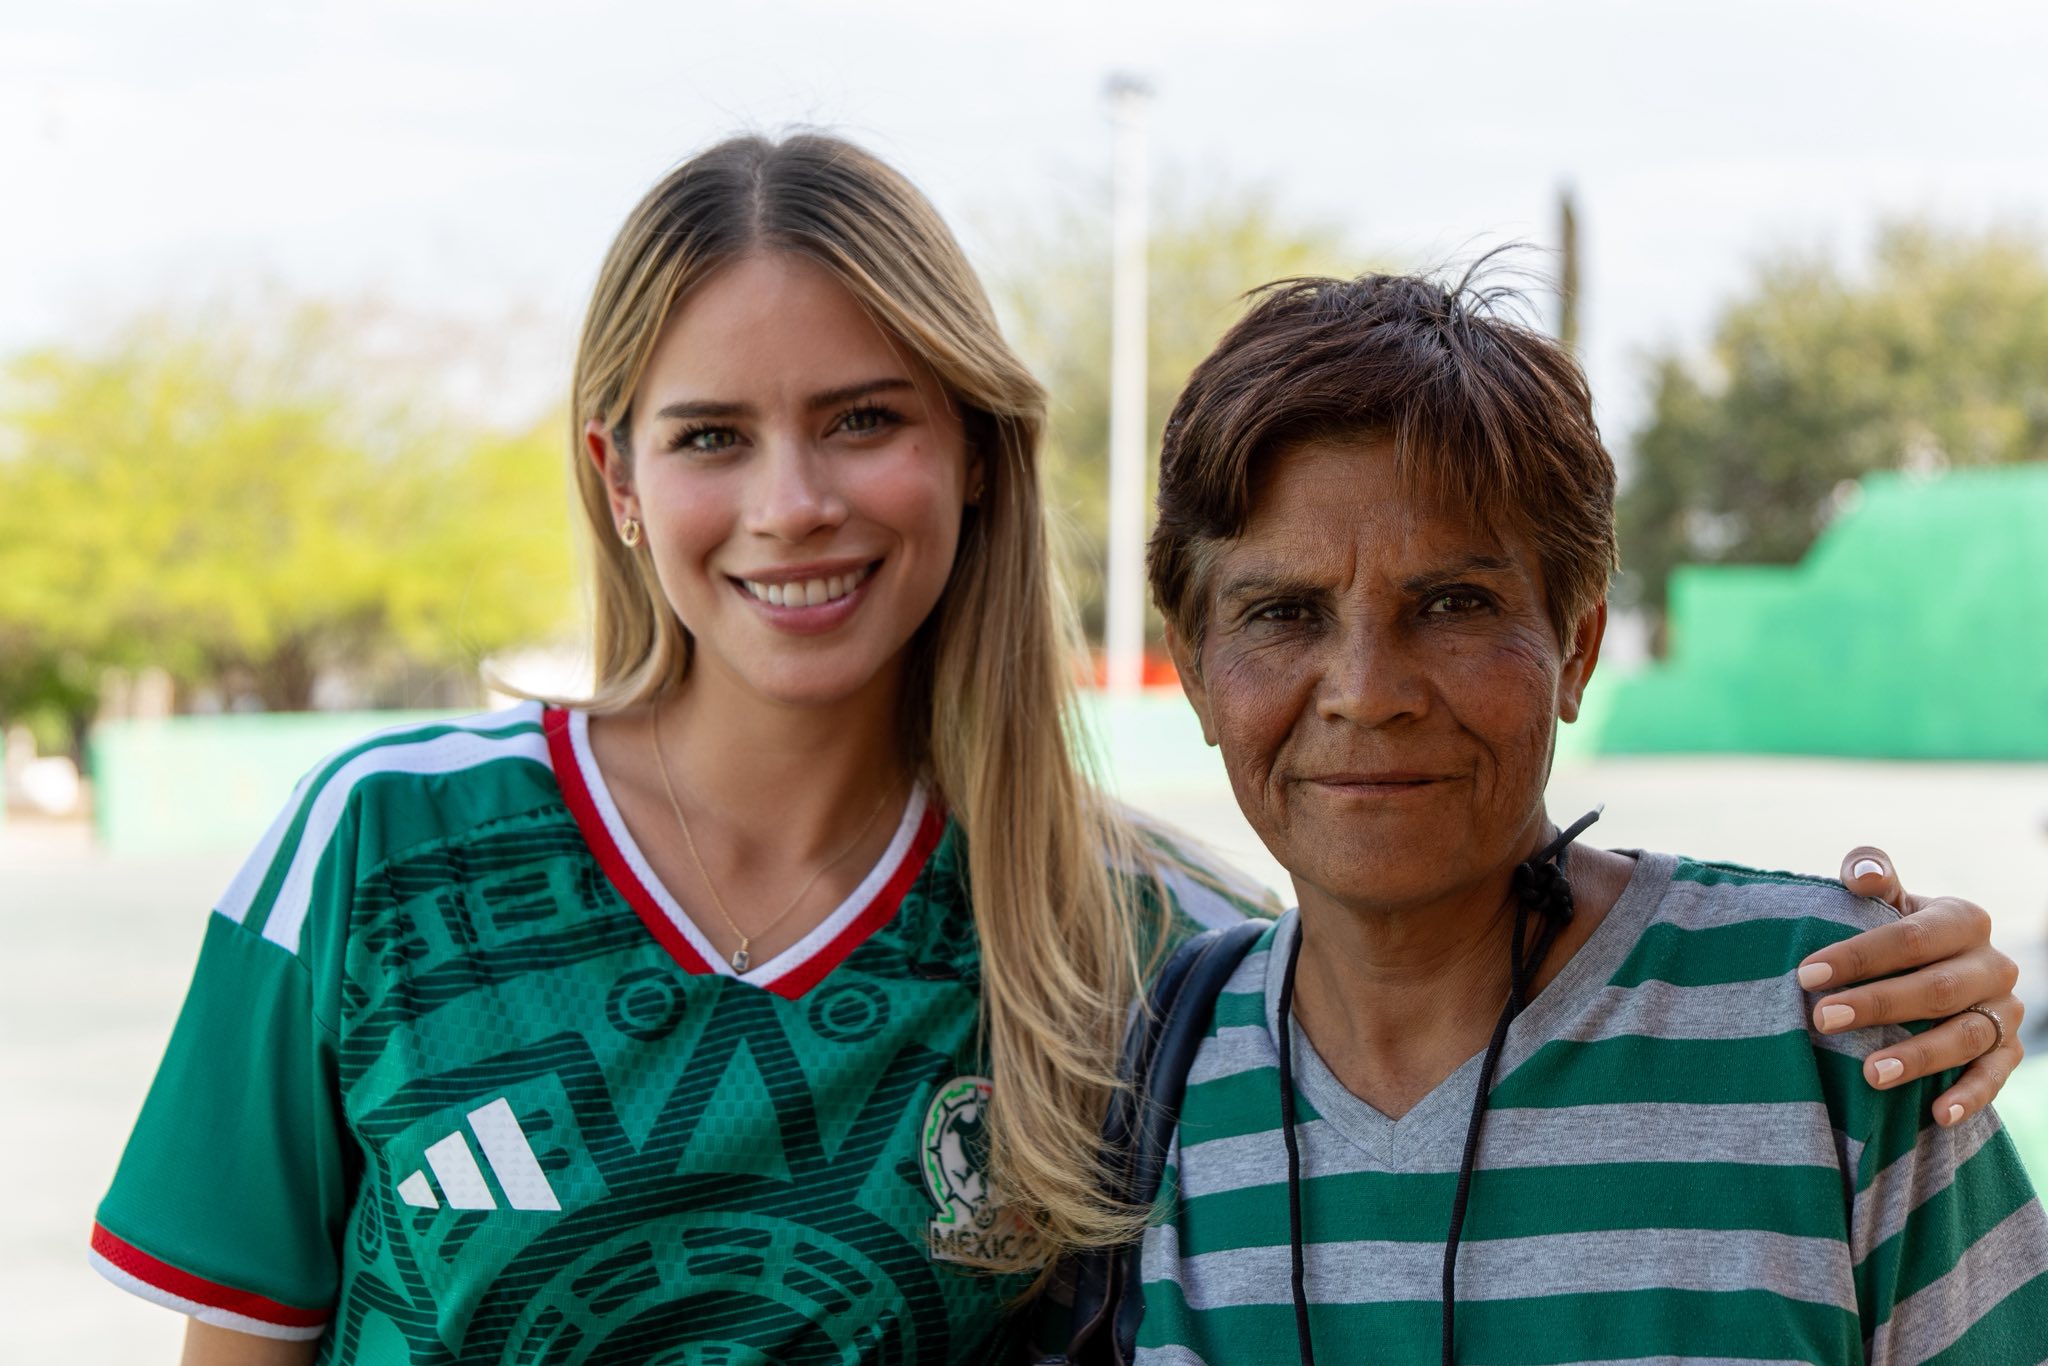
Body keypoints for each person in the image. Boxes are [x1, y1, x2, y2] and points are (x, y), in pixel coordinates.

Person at [88, 136, 2024, 1365]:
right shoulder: (379, 849)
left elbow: (1437, 964)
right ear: (614, 475)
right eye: (710, 436)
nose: (791, 502)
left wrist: (1915, 987)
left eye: (864, 418)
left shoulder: (1130, 944)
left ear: (974, 452)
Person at [1127, 269, 2046, 1362]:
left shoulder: (1835, 1031)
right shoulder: (1142, 1091)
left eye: (1453, 604)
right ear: (1195, 669)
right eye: (1284, 613)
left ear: (1575, 647)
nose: (1366, 692)